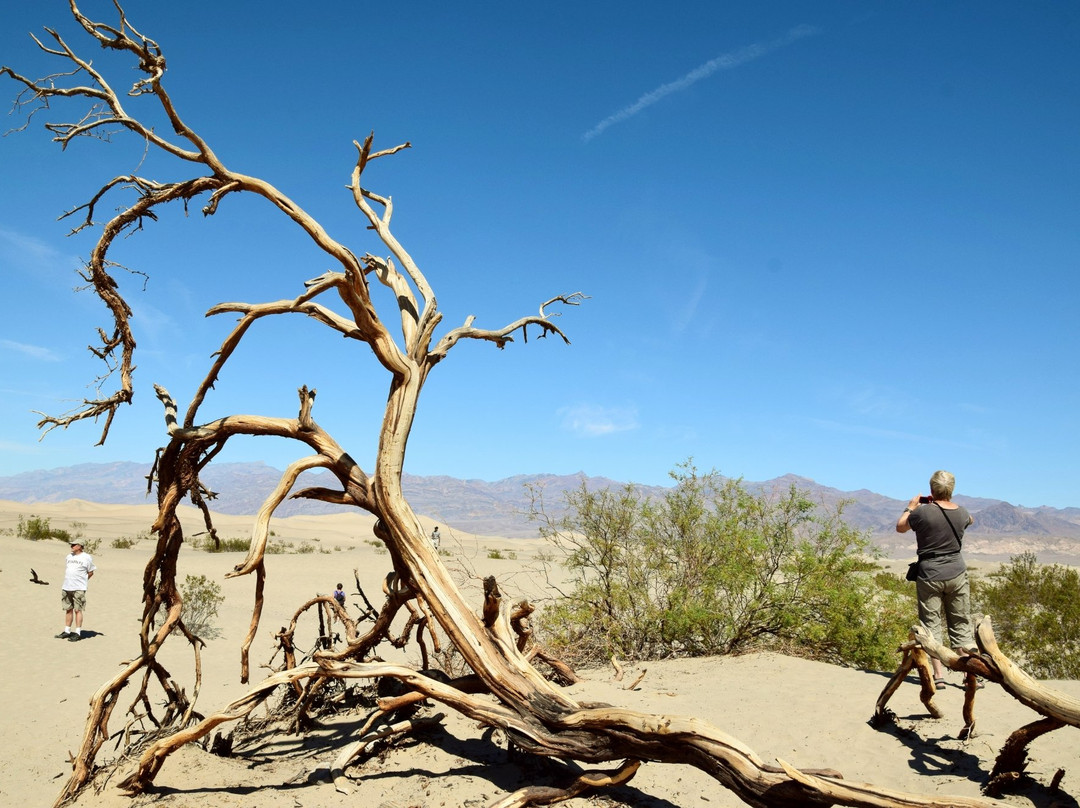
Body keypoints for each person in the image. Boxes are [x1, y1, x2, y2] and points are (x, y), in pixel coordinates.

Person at [896, 470, 976, 689]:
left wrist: (911, 507)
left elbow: (901, 526)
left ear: (931, 490)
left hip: (930, 574)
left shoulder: (922, 513)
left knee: (931, 626)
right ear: (952, 489)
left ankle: (938, 676)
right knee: (961, 624)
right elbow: (970, 519)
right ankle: (971, 676)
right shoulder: (962, 512)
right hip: (957, 573)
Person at [57, 540, 96, 642]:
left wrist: (83, 581)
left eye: (74, 545)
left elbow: (91, 572)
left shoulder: (86, 557)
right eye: (72, 544)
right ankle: (67, 631)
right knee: (68, 609)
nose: (72, 546)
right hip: (67, 586)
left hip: (79, 587)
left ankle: (78, 632)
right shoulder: (69, 556)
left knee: (78, 610)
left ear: (80, 546)